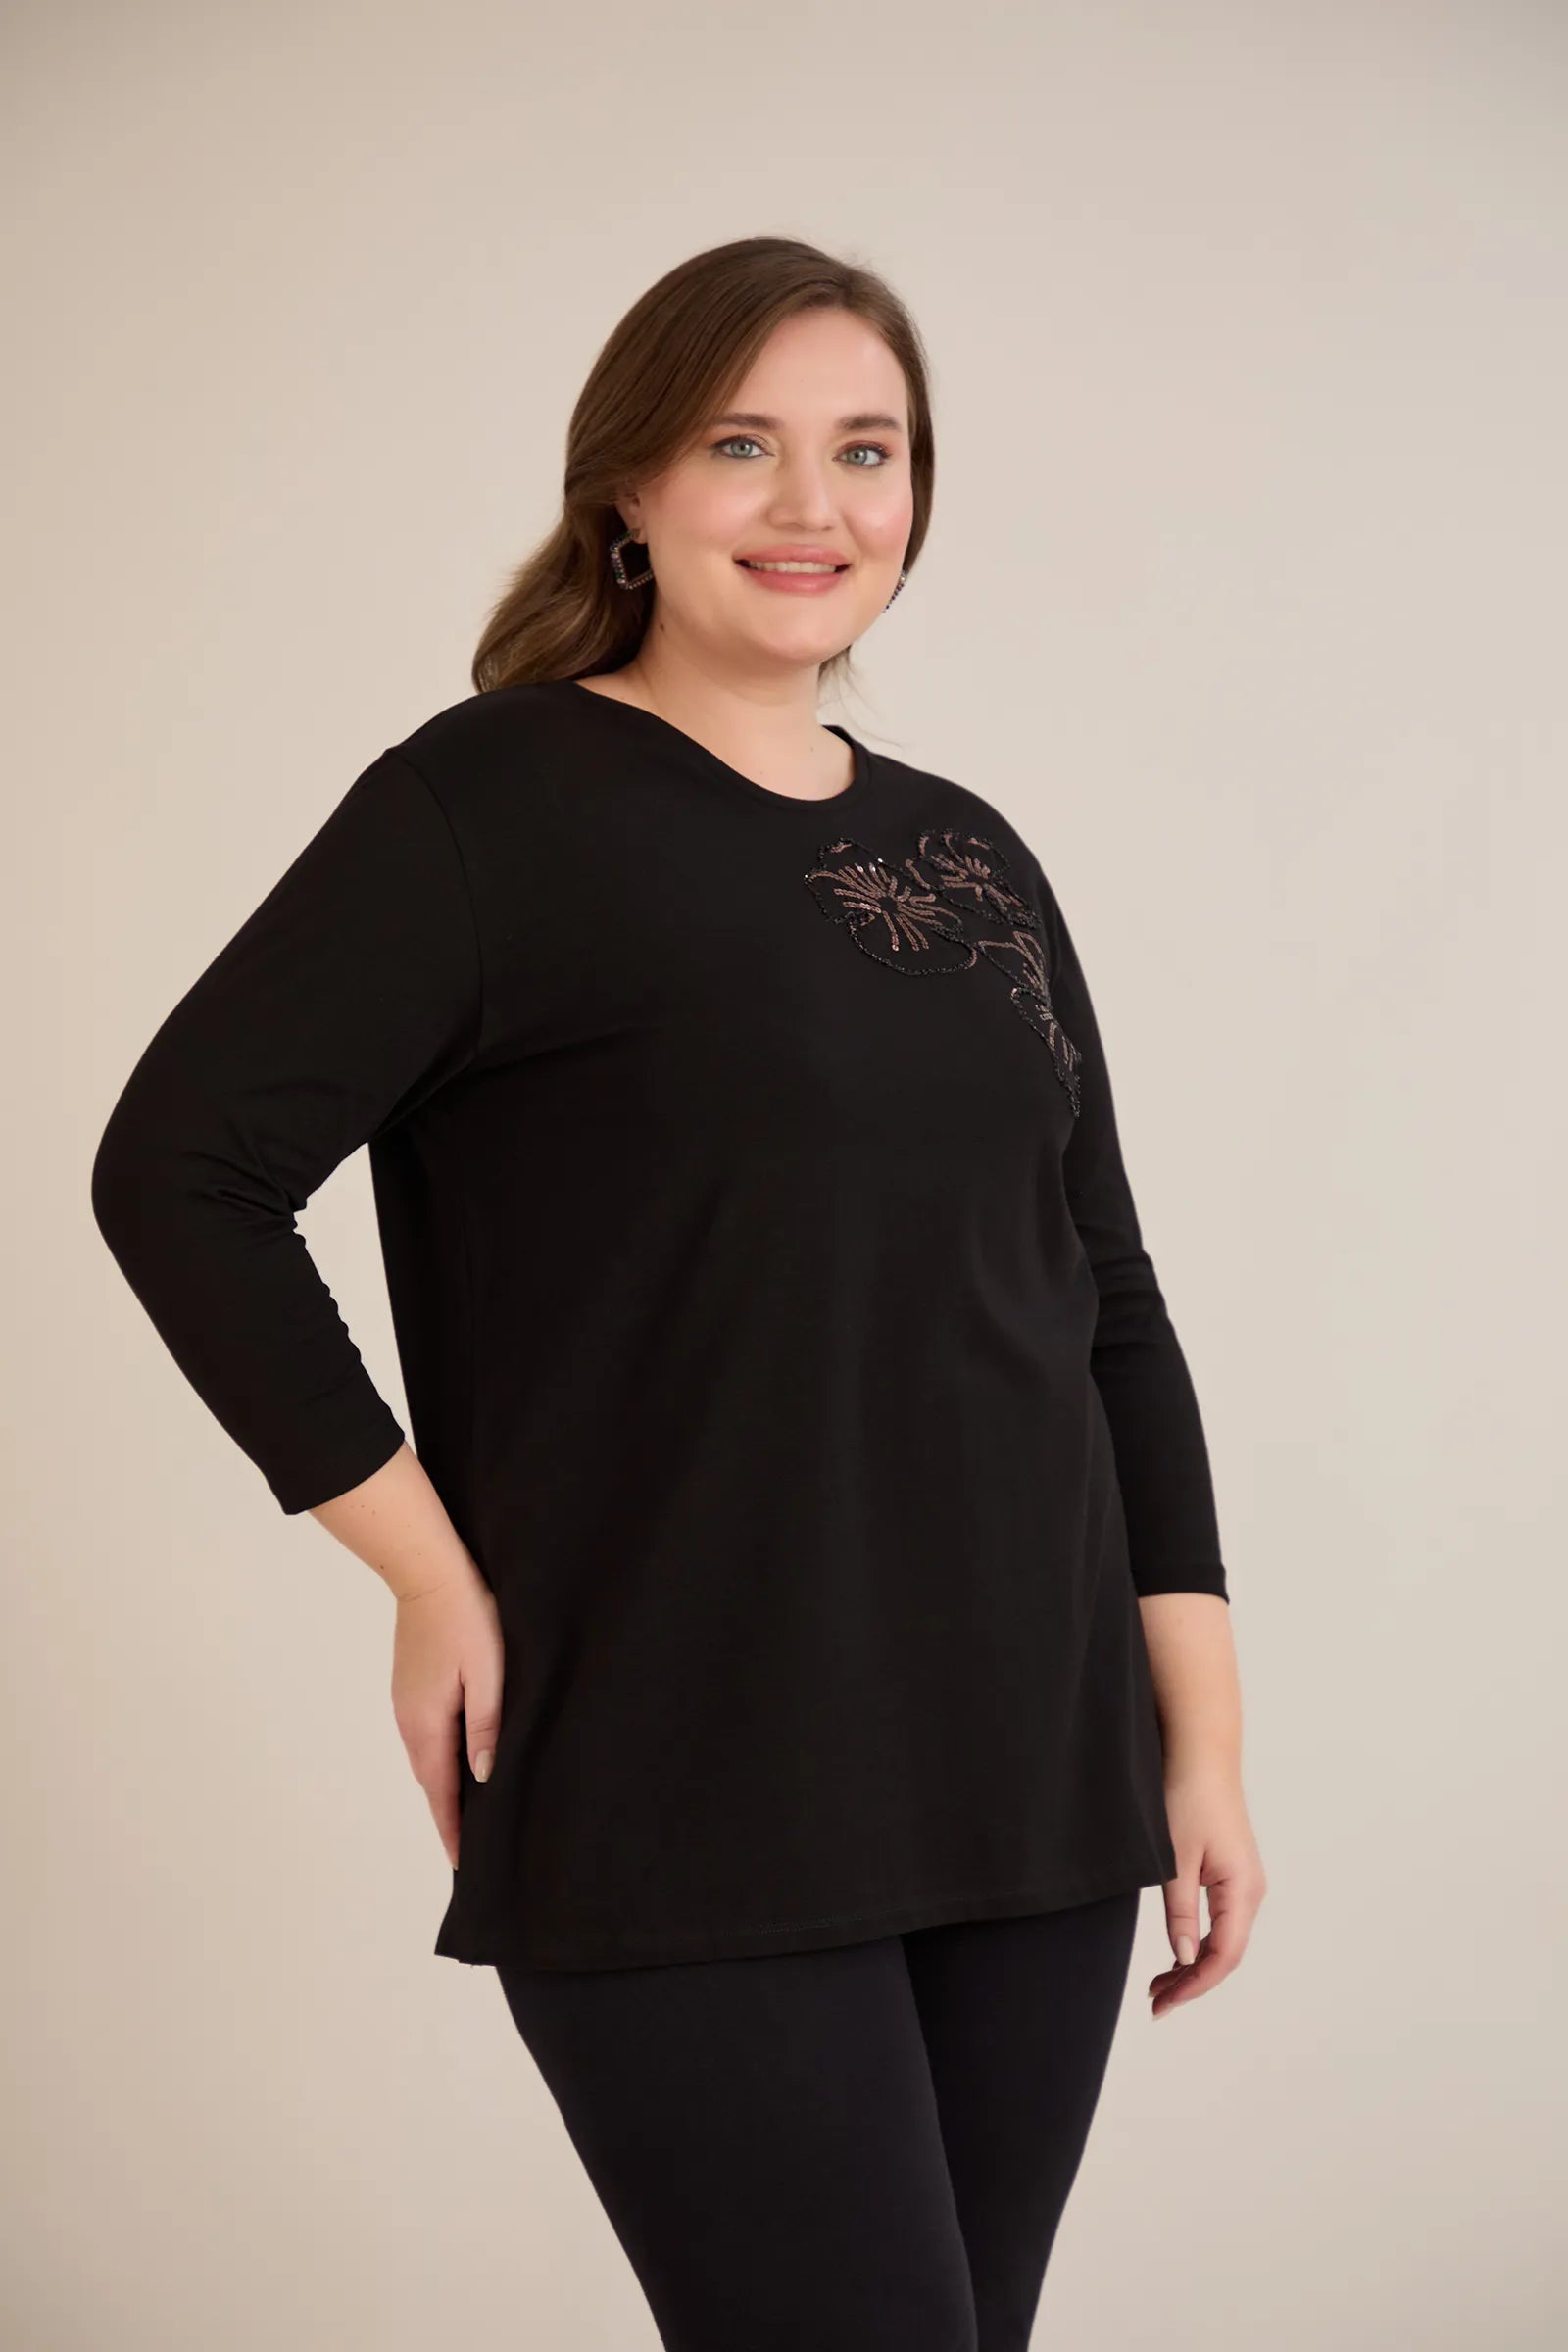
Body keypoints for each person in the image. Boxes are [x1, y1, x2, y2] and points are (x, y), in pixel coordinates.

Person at [90, 233, 1266, 2348]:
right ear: (627, 487)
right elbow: (181, 1172)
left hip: (1033, 1768)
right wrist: (423, 1571)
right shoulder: (489, 804)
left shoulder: (972, 857)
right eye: (742, 445)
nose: (813, 505)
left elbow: (1106, 1304)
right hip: (683, 1760)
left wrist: (1201, 1738)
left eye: (866, 451)